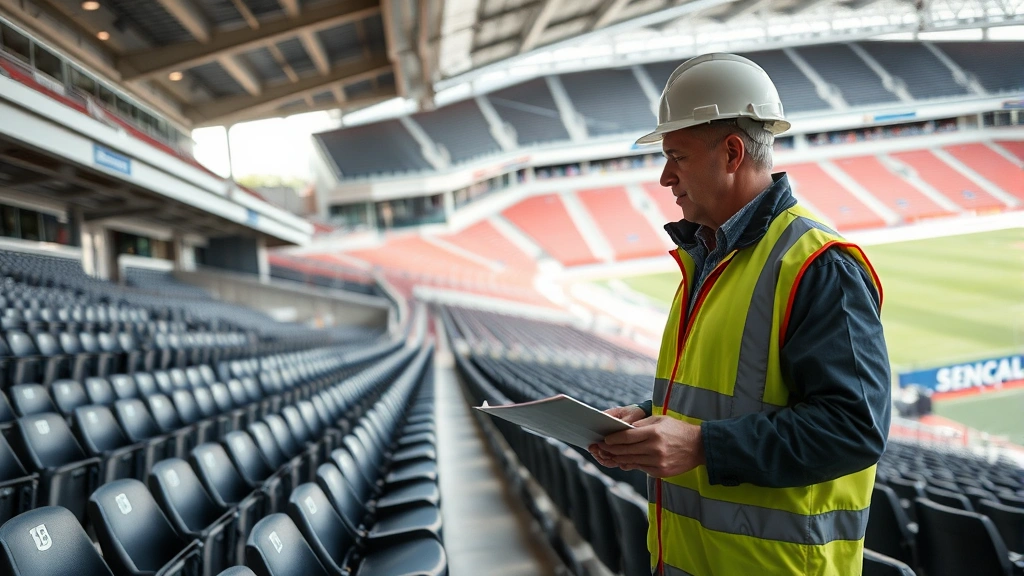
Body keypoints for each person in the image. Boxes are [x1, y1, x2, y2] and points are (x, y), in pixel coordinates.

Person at [589, 53, 891, 575]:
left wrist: (705, 445)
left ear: (731, 153)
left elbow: (854, 427)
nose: (665, 178)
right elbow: (729, 388)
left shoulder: (818, 266)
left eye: (676, 157)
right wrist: (648, 413)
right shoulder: (709, 257)